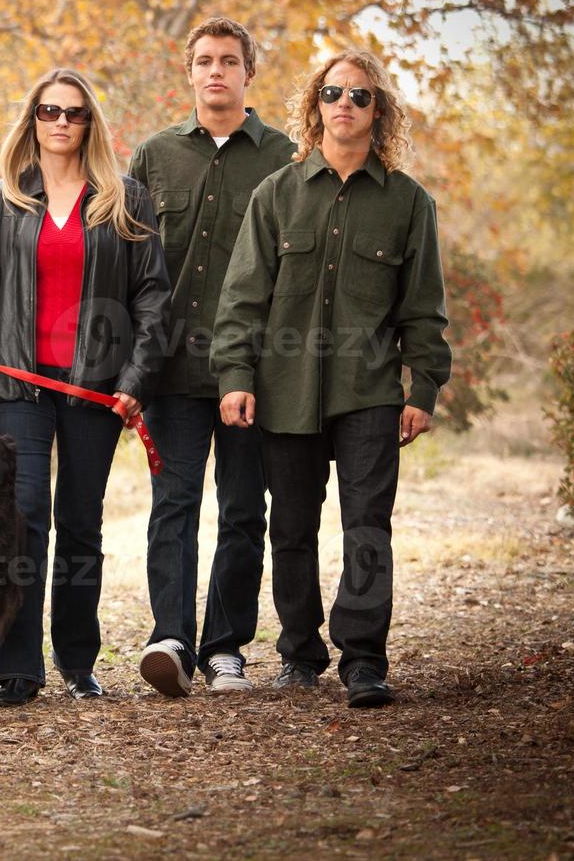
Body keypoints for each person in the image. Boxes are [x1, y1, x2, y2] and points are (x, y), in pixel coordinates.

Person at [212, 49, 452, 709]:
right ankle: (297, 652)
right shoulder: (276, 195)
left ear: (380, 112)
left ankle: (364, 659)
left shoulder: (407, 204)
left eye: (359, 95)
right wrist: (234, 375)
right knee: (289, 527)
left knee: (366, 526)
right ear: (314, 106)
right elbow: (239, 298)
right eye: (331, 93)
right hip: (283, 390)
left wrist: (422, 388)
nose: (343, 104)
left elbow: (423, 308)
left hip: (368, 393)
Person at [0, 68, 171, 706]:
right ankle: (19, 669)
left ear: (91, 124)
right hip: (15, 387)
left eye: (75, 113)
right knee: (23, 521)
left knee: (81, 523)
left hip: (95, 388)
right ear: (31, 120)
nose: (61, 122)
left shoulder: (125, 201)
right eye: (48, 111)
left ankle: (78, 661)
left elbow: (151, 299)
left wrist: (137, 378)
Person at [128, 17, 296, 696]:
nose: (215, 71)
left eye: (228, 60)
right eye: (203, 61)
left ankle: (224, 647)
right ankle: (169, 635)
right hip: (168, 370)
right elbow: (130, 265)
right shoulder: (153, 156)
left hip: (251, 374)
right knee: (173, 504)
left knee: (241, 510)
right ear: (188, 72)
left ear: (248, 73)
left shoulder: (284, 158)